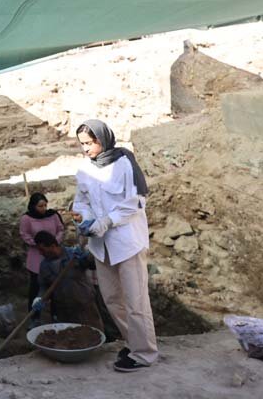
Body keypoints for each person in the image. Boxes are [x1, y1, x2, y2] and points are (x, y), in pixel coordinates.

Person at [72, 119, 158, 372]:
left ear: (103, 139)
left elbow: (135, 202)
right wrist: (86, 219)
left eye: (90, 143)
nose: (86, 149)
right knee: (112, 299)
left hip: (127, 243)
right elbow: (81, 201)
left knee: (136, 301)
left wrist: (107, 221)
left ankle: (144, 353)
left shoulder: (124, 164)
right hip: (101, 246)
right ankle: (133, 343)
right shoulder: (84, 169)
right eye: (82, 144)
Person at [32, 231, 104, 331]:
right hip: (63, 310)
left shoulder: (73, 255)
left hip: (84, 305)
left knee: (92, 333)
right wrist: (40, 298)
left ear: (52, 246)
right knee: (68, 336)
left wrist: (87, 256)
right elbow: (44, 286)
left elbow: (93, 265)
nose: (40, 253)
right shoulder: (44, 266)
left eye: (42, 250)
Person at [19, 192, 65, 322]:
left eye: (45, 205)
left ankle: (56, 315)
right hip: (36, 257)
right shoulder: (27, 218)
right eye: (40, 206)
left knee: (56, 288)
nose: (43, 209)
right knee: (36, 289)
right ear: (33, 206)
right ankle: (34, 317)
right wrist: (39, 245)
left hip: (53, 255)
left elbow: (61, 229)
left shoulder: (53, 215)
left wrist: (54, 242)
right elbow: (24, 234)